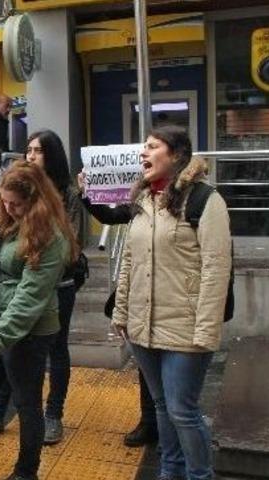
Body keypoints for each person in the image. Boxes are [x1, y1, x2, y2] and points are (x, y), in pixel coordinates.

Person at [112, 126, 231, 480]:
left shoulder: (206, 200)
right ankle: (170, 471)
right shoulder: (144, 200)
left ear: (176, 154)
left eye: (152, 147)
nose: (142, 153)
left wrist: (206, 330)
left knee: (182, 410)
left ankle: (199, 475)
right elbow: (129, 262)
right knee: (163, 407)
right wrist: (121, 312)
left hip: (186, 328)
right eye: (142, 147)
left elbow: (215, 268)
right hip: (142, 326)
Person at [0, 161, 78, 480]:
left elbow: (30, 298)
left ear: (35, 200)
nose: (9, 209)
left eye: (17, 204)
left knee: (27, 404)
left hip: (30, 333)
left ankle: (26, 472)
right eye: (4, 202)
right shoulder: (5, 219)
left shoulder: (50, 235)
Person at [0, 130, 85, 446]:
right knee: (8, 356)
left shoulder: (68, 193)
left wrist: (40, 250)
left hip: (58, 284)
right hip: (19, 288)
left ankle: (53, 415)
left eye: (39, 150)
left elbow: (70, 244)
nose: (32, 156)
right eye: (28, 150)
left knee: (54, 350)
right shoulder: (14, 195)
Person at [76, 171, 157, 448]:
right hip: (141, 296)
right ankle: (150, 423)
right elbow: (109, 217)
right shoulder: (140, 204)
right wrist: (87, 192)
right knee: (147, 367)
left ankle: (169, 437)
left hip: (173, 298)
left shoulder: (196, 203)